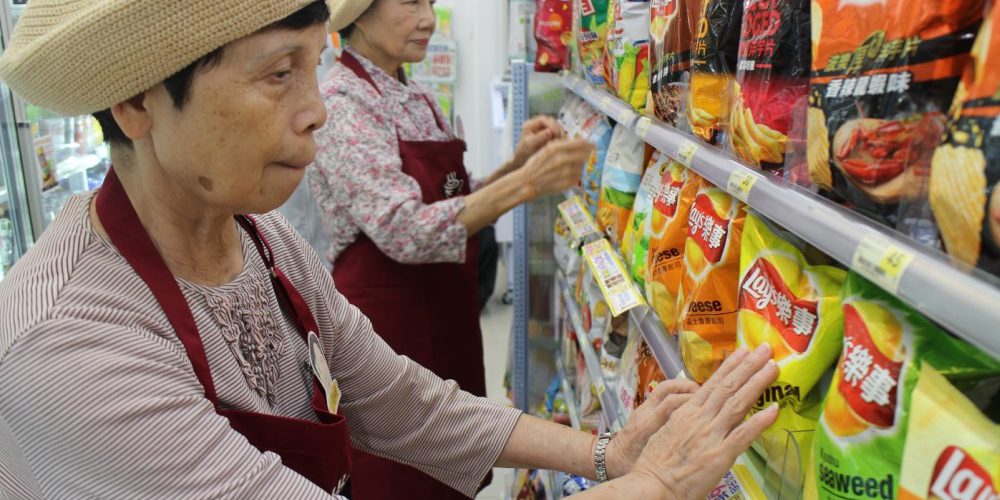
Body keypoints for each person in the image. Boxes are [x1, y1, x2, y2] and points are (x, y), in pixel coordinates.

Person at [0, 1, 779, 498]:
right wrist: (659, 485)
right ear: (136, 102)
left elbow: (398, 398)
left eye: (313, 66)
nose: (318, 113)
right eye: (278, 74)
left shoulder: (261, 242)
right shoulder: (67, 345)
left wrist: (608, 451)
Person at [309, 1, 586, 494]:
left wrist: (515, 165)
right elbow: (406, 228)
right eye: (411, 3)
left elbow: (454, 199)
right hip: (387, 332)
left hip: (442, 317)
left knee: (451, 462)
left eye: (432, 4)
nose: (429, 20)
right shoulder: (343, 102)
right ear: (361, 15)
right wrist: (524, 184)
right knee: (402, 479)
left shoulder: (413, 95)